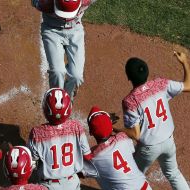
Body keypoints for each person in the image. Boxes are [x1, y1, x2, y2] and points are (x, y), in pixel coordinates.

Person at [113, 52, 190, 190]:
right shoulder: (160, 84)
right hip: (169, 142)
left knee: (133, 177)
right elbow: (188, 86)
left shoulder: (130, 101)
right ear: (147, 71)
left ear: (128, 77)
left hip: (148, 149)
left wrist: (115, 129)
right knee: (173, 173)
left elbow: (134, 134)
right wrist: (184, 62)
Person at [31, 0, 97, 101]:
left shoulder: (86, 1)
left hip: (75, 30)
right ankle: (56, 100)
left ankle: (68, 99)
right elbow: (34, 2)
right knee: (58, 71)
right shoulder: (44, 4)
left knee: (77, 76)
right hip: (52, 31)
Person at [28, 88, 92, 190]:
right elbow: (88, 156)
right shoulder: (76, 126)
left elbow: (32, 163)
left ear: (45, 109)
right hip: (72, 183)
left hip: (49, 186)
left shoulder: (37, 133)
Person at [87, 106, 152, 190]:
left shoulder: (92, 158)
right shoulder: (123, 138)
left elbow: (77, 171)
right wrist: (109, 126)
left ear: (91, 132)